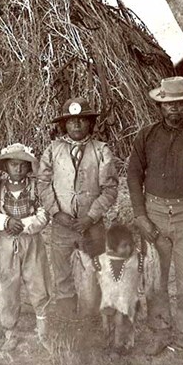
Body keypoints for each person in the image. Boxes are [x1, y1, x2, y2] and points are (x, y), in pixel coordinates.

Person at [128, 76, 183, 357]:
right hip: (154, 212)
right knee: (156, 276)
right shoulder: (146, 136)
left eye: (180, 104)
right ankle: (159, 330)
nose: (174, 110)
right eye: (168, 105)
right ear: (160, 106)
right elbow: (133, 176)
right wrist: (140, 216)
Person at [36, 98, 118, 321]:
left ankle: (92, 322)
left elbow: (110, 189)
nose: (77, 126)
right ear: (64, 125)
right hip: (62, 226)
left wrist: (91, 217)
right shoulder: (53, 151)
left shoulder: (101, 151)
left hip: (91, 227)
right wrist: (55, 212)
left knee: (93, 274)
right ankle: (67, 321)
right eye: (72, 122)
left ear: (90, 124)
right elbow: (42, 184)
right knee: (62, 275)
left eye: (82, 121)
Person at [0, 143, 50, 351]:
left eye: (23, 165)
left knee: (38, 279)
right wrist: (5, 222)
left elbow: (44, 214)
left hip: (31, 240)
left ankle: (43, 328)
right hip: (6, 241)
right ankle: (9, 331)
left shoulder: (35, 187)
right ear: (6, 166)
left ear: (29, 167)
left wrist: (24, 225)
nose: (18, 169)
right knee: (8, 283)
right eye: (13, 164)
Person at [93, 224, 159, 355]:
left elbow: (150, 268)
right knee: (107, 322)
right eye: (124, 246)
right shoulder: (102, 261)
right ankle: (107, 343)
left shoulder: (137, 260)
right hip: (108, 299)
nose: (129, 249)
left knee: (121, 321)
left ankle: (119, 346)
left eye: (131, 244)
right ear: (112, 247)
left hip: (127, 301)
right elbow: (96, 276)